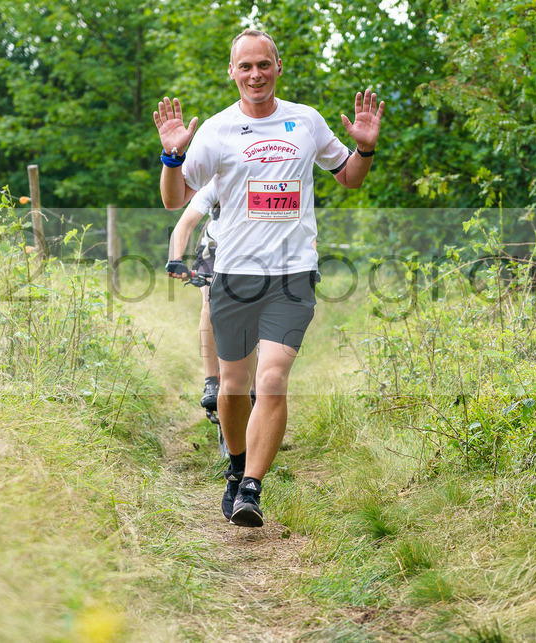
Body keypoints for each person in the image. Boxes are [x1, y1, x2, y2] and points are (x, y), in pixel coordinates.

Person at [153, 28, 383, 527]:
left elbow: (347, 175)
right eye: (245, 67)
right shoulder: (215, 130)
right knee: (234, 387)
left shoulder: (307, 121)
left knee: (271, 379)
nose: (255, 74)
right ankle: (236, 468)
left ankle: (252, 488)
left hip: (292, 275)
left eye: (263, 64)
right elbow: (176, 201)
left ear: (278, 67)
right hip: (233, 276)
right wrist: (172, 157)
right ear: (232, 73)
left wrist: (363, 151)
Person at [166, 179, 221, 416]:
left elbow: (304, 226)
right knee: (211, 300)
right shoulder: (219, 183)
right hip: (216, 250)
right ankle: (212, 380)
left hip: (260, 253)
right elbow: (185, 224)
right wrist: (176, 259)